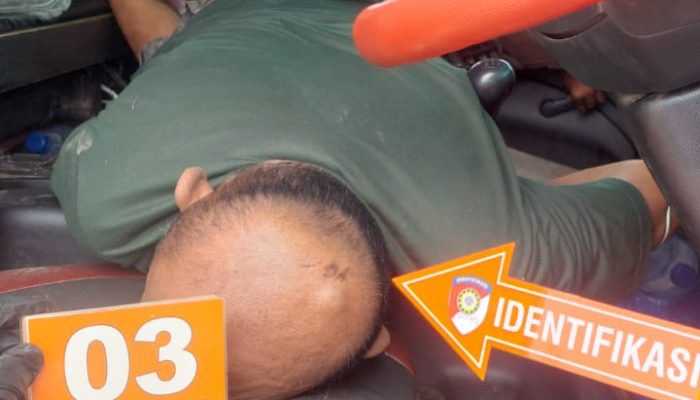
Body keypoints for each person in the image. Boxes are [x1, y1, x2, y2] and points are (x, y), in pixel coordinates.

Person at [0, 0, 676, 399]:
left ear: (191, 191)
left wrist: (500, 221)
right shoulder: (102, 190)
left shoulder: (504, 257)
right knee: (165, 50)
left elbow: (657, 187)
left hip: (382, 19)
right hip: (225, 25)